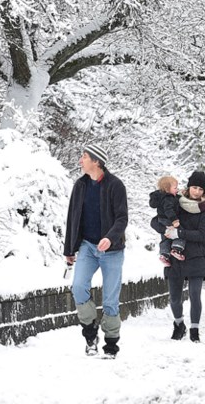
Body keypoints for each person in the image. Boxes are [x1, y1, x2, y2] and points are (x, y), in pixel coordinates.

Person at [63, 144, 128, 359]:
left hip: (112, 251)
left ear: (96, 161)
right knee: (79, 287)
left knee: (110, 298)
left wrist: (110, 238)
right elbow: (73, 217)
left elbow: (122, 218)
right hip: (88, 247)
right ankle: (90, 335)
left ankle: (111, 345)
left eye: (84, 157)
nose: (80, 161)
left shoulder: (115, 185)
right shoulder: (80, 185)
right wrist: (69, 249)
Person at [156, 169, 205, 343]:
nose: (197, 191)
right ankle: (179, 324)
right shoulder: (175, 201)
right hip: (175, 256)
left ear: (204, 191)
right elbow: (157, 219)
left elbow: (202, 235)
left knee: (195, 295)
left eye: (200, 189)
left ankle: (195, 329)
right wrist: (165, 230)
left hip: (196, 255)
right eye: (194, 187)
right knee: (174, 297)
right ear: (188, 187)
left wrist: (179, 233)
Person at [149, 175, 186, 265]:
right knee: (181, 233)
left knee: (165, 238)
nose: (177, 189)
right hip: (169, 220)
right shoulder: (168, 198)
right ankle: (176, 249)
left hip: (161, 220)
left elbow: (175, 198)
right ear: (167, 189)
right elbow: (169, 210)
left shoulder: (162, 197)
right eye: (175, 188)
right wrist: (174, 220)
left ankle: (164, 254)